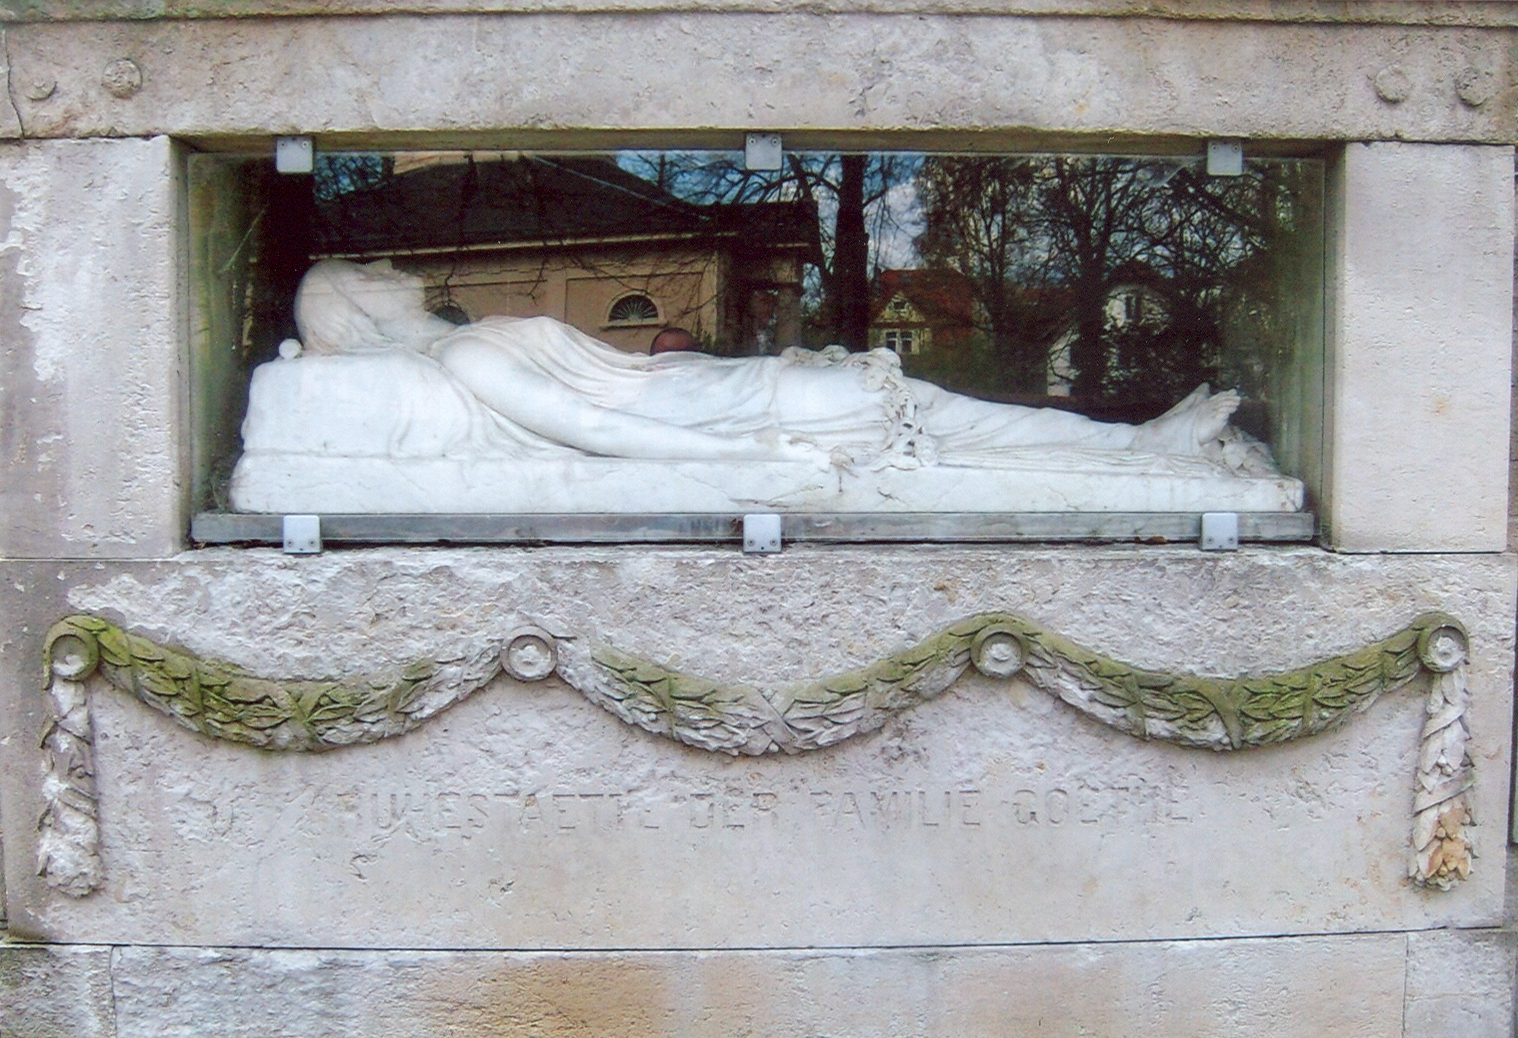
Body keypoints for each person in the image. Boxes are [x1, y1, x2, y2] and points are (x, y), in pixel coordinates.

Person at [290, 259, 1245, 472]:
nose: (395, 273)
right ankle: (1141, 450)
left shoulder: (471, 343)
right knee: (949, 423)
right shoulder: (466, 354)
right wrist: (749, 457)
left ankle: (1140, 449)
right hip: (734, 411)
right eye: (371, 277)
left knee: (952, 423)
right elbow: (591, 430)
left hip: (721, 393)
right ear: (364, 313)